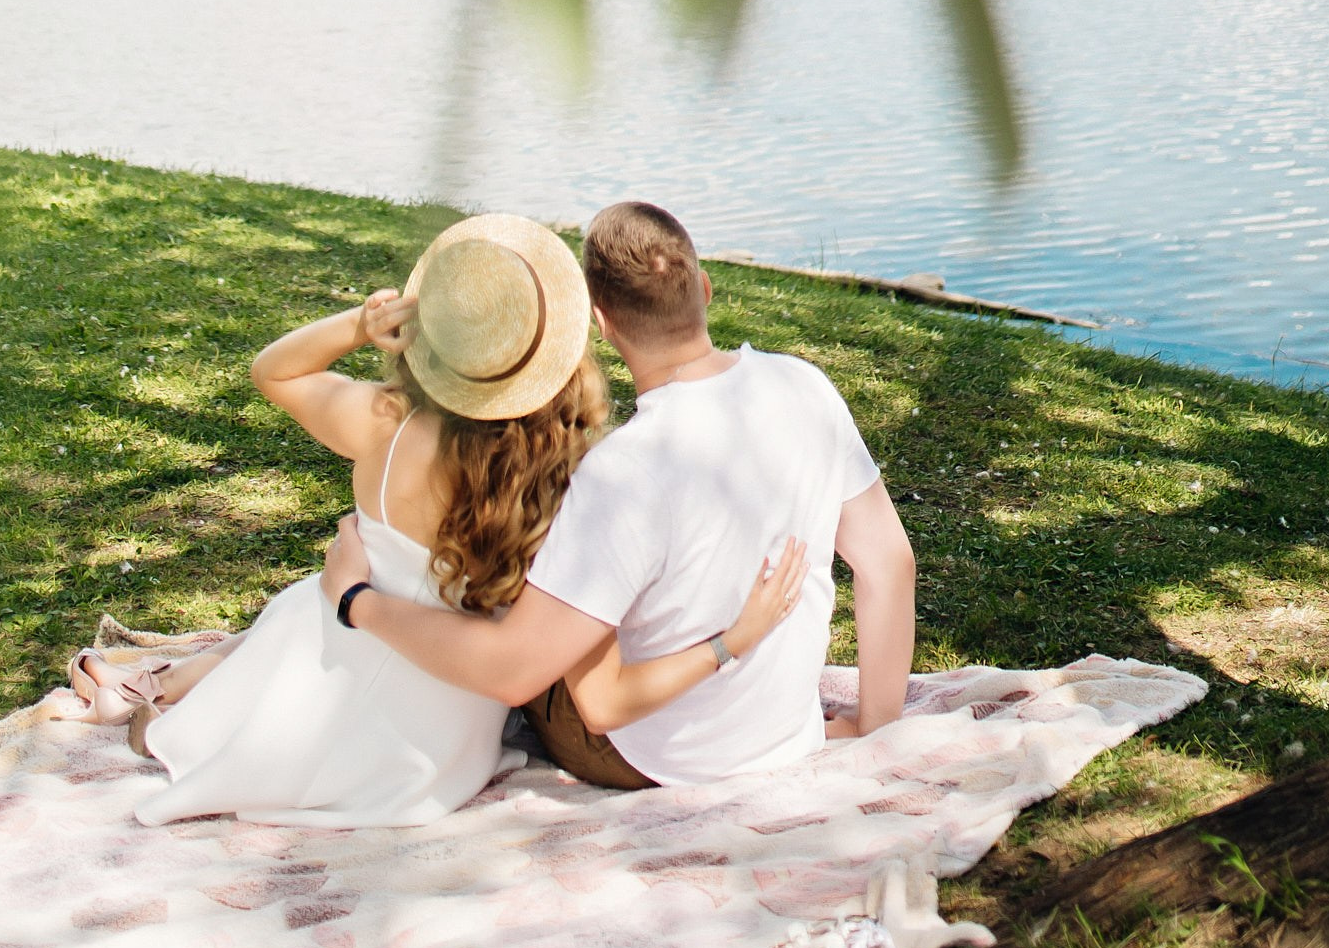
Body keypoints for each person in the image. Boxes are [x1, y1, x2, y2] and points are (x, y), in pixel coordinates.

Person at [65, 213, 806, 828]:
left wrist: (361, 324)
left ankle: (161, 687)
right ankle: (171, 681)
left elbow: (274, 370)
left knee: (302, 611)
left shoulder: (381, 421)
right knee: (300, 615)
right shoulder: (556, 471)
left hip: (343, 634)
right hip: (446, 727)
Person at [324, 198, 915, 791]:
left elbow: (514, 674)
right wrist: (875, 722)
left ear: (602, 324)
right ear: (704, 289)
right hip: (782, 734)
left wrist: (356, 599)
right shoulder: (806, 388)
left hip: (648, 756)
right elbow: (889, 563)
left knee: (496, 581)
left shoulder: (623, 473)